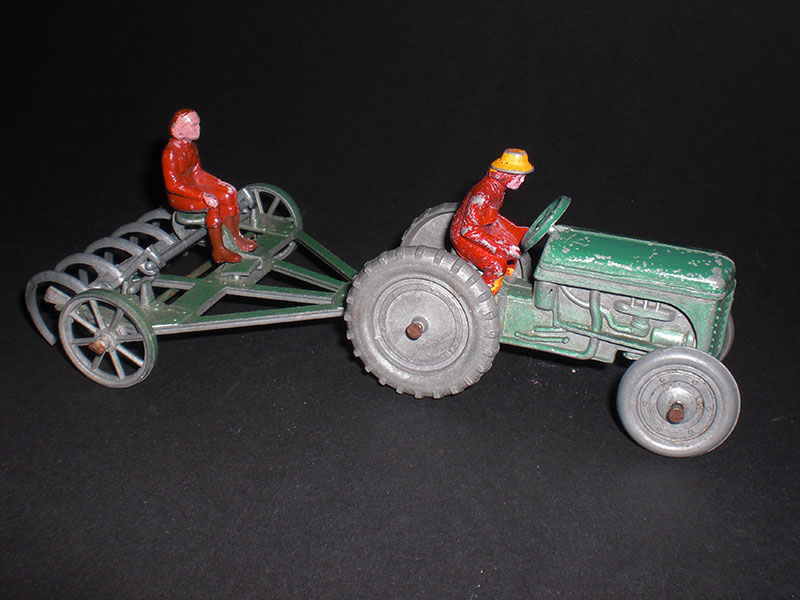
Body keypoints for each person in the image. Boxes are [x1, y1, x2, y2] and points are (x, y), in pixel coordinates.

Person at [162, 109, 258, 263]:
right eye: (193, 125)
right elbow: (173, 185)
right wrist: (202, 196)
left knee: (228, 193)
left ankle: (235, 237)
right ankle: (219, 251)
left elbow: (197, 173)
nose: (198, 128)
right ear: (179, 131)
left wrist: (218, 183)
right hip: (180, 196)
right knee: (213, 203)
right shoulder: (170, 153)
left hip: (194, 187)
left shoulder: (191, 147)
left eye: (198, 124)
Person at [449, 148, 534, 294]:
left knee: (514, 244)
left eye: (523, 177)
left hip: (481, 229)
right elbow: (468, 231)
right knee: (497, 266)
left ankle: (504, 283)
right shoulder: (483, 194)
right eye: (518, 177)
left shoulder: (497, 189)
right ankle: (479, 298)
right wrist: (500, 248)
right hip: (462, 237)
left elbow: (490, 217)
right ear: (504, 175)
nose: (522, 181)